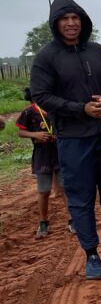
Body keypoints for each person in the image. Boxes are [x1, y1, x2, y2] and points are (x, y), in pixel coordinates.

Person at [30, 0, 101, 279]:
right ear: (55, 24)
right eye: (65, 19)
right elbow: (41, 95)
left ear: (82, 21)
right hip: (73, 138)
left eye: (75, 18)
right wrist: (80, 109)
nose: (71, 23)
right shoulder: (46, 58)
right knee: (80, 197)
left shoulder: (98, 51)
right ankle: (91, 254)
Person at [16, 87, 61, 237]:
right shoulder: (29, 112)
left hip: (60, 153)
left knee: (66, 187)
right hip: (42, 155)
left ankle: (73, 221)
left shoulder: (56, 109)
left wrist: (57, 136)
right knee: (44, 190)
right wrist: (35, 134)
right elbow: (20, 132)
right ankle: (43, 223)